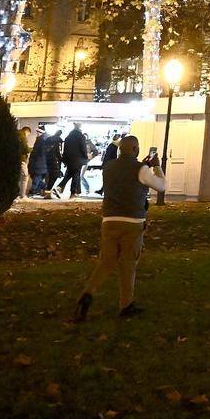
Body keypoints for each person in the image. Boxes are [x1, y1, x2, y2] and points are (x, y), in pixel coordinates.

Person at [67, 135, 166, 323]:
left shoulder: (109, 167)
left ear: (120, 149)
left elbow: (124, 178)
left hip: (109, 220)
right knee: (128, 263)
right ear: (136, 149)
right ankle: (126, 304)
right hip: (133, 221)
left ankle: (86, 296)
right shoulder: (141, 169)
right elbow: (161, 186)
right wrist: (156, 166)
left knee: (106, 261)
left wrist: (142, 165)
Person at [61, 122, 90, 199]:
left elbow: (65, 149)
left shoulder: (68, 137)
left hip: (69, 160)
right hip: (78, 159)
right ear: (80, 128)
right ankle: (73, 193)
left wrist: (64, 159)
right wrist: (86, 157)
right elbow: (83, 148)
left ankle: (59, 187)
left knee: (70, 173)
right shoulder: (81, 137)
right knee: (76, 175)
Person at [27, 125, 50, 197]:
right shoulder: (46, 139)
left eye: (37, 132)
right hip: (42, 163)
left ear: (40, 132)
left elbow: (36, 152)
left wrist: (31, 158)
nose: (36, 133)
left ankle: (32, 191)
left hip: (38, 162)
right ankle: (46, 188)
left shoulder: (40, 139)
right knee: (37, 178)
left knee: (36, 178)